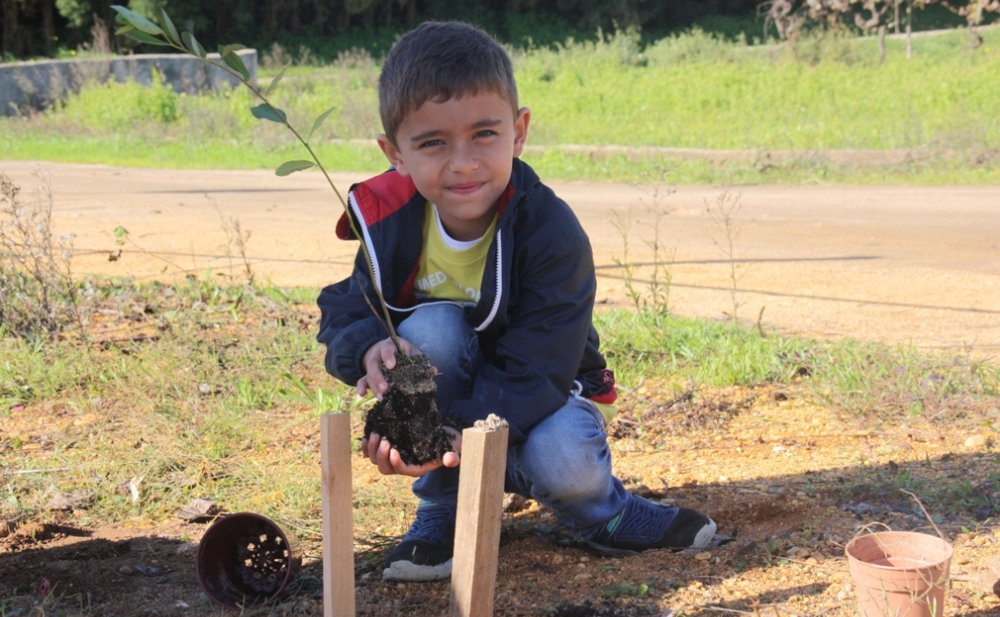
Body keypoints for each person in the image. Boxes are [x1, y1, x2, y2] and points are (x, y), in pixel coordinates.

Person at [316, 20, 717, 583]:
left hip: (544, 395)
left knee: (567, 465)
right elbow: (348, 305)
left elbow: (541, 365)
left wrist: (454, 433)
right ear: (395, 152)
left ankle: (603, 514)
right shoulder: (389, 221)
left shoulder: (550, 232)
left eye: (485, 134)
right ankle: (444, 505)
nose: (463, 162)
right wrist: (368, 352)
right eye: (432, 142)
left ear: (519, 131)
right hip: (455, 414)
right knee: (427, 329)